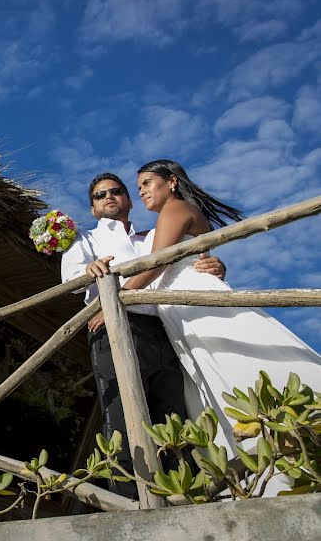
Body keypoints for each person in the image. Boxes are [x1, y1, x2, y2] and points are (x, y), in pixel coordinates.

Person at [105, 159, 321, 465]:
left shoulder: (175, 208)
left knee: (233, 361)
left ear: (172, 183)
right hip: (180, 310)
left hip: (195, 304)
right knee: (213, 374)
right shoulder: (169, 217)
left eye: (147, 183)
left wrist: (115, 299)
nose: (141, 191)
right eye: (139, 186)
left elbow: (158, 262)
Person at [60, 173, 226, 497]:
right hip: (113, 327)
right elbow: (71, 276)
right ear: (93, 209)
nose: (108, 196)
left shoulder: (150, 237)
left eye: (116, 191)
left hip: (164, 330)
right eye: (99, 195)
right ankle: (130, 502)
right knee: (122, 414)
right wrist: (88, 270)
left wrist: (215, 267)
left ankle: (184, 495)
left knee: (174, 416)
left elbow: (180, 260)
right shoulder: (84, 240)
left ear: (128, 200)